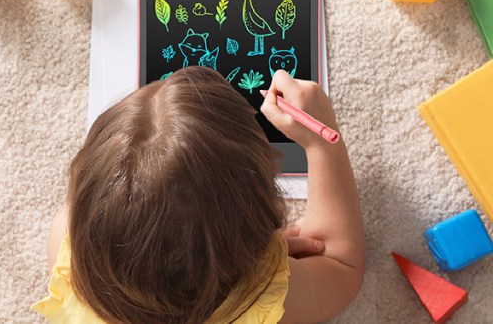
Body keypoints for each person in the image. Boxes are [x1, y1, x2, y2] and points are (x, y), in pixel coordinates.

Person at [33, 66, 365, 323]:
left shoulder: (68, 248)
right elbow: (341, 266)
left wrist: (240, 252)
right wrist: (322, 143)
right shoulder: (260, 295)